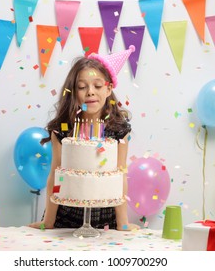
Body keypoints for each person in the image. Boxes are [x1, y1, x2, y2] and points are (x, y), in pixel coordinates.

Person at [29, 45, 140, 231]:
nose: (90, 91)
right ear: (74, 91)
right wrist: (48, 221)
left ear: (109, 88)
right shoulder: (62, 130)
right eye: (82, 87)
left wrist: (123, 223)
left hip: (105, 220)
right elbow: (55, 174)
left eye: (97, 86)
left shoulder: (118, 130)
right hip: (65, 218)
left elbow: (120, 175)